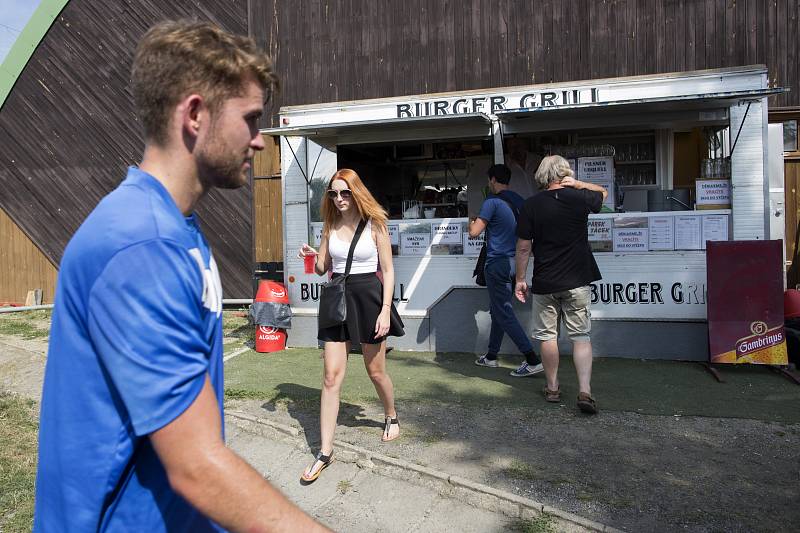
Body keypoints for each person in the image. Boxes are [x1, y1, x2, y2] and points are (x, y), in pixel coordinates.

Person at [34, 20, 328, 532]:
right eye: (251, 120)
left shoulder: (175, 229)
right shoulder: (142, 246)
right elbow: (196, 468)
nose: (259, 141)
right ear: (195, 114)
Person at [298, 169, 405, 482]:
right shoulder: (330, 225)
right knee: (331, 376)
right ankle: (325, 451)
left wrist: (386, 311)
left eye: (345, 193)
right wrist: (312, 252)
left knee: (376, 371)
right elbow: (321, 269)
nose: (339, 199)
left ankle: (391, 415)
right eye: (334, 193)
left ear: (356, 192)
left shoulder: (376, 224)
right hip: (337, 300)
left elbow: (388, 270)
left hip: (370, 300)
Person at [514, 155, 607, 414]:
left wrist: (520, 279)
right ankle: (585, 391)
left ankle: (553, 388)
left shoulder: (530, 205)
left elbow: (523, 247)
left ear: (541, 177)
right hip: (577, 278)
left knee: (547, 336)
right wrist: (577, 184)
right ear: (564, 174)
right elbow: (603, 193)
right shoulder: (581, 198)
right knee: (581, 336)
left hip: (545, 280)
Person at [469, 164, 543, 377]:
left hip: (497, 264)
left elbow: (474, 232)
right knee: (499, 310)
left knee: (503, 311)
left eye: (489, 181)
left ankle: (531, 358)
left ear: (492, 180)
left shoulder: (491, 202)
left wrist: (471, 219)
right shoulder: (521, 202)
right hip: (516, 263)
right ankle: (491, 356)